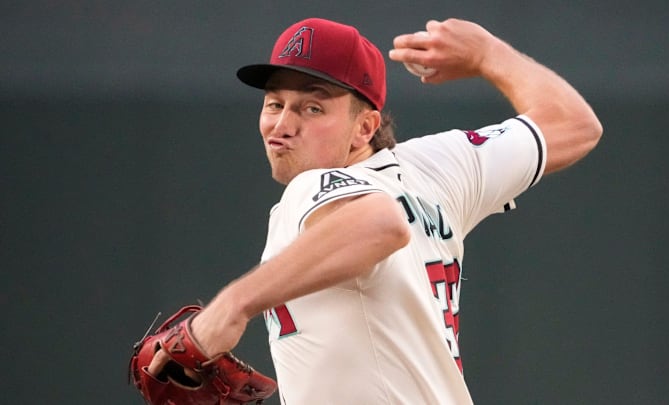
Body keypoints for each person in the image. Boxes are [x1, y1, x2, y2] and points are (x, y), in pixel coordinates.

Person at [148, 17, 602, 404]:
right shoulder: (438, 170)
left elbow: (380, 224)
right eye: (274, 104)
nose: (283, 125)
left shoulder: (314, 187)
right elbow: (574, 125)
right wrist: (488, 54)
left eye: (311, 107)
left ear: (364, 127)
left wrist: (231, 305)